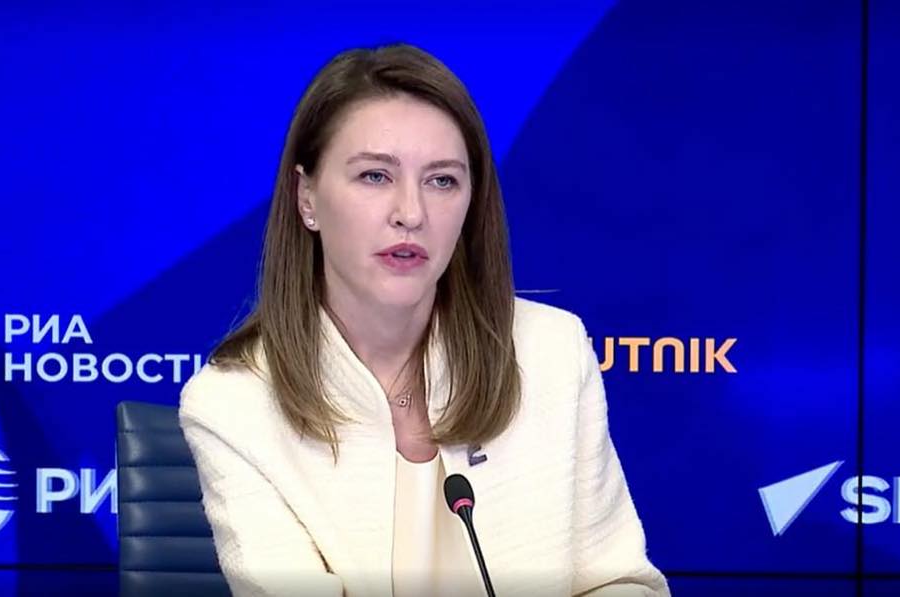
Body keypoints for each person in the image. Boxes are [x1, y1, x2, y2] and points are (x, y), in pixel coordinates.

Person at [179, 42, 669, 597]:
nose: (411, 213)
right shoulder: (234, 404)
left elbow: (617, 581)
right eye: (374, 176)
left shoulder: (550, 351)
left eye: (442, 181)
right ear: (307, 197)